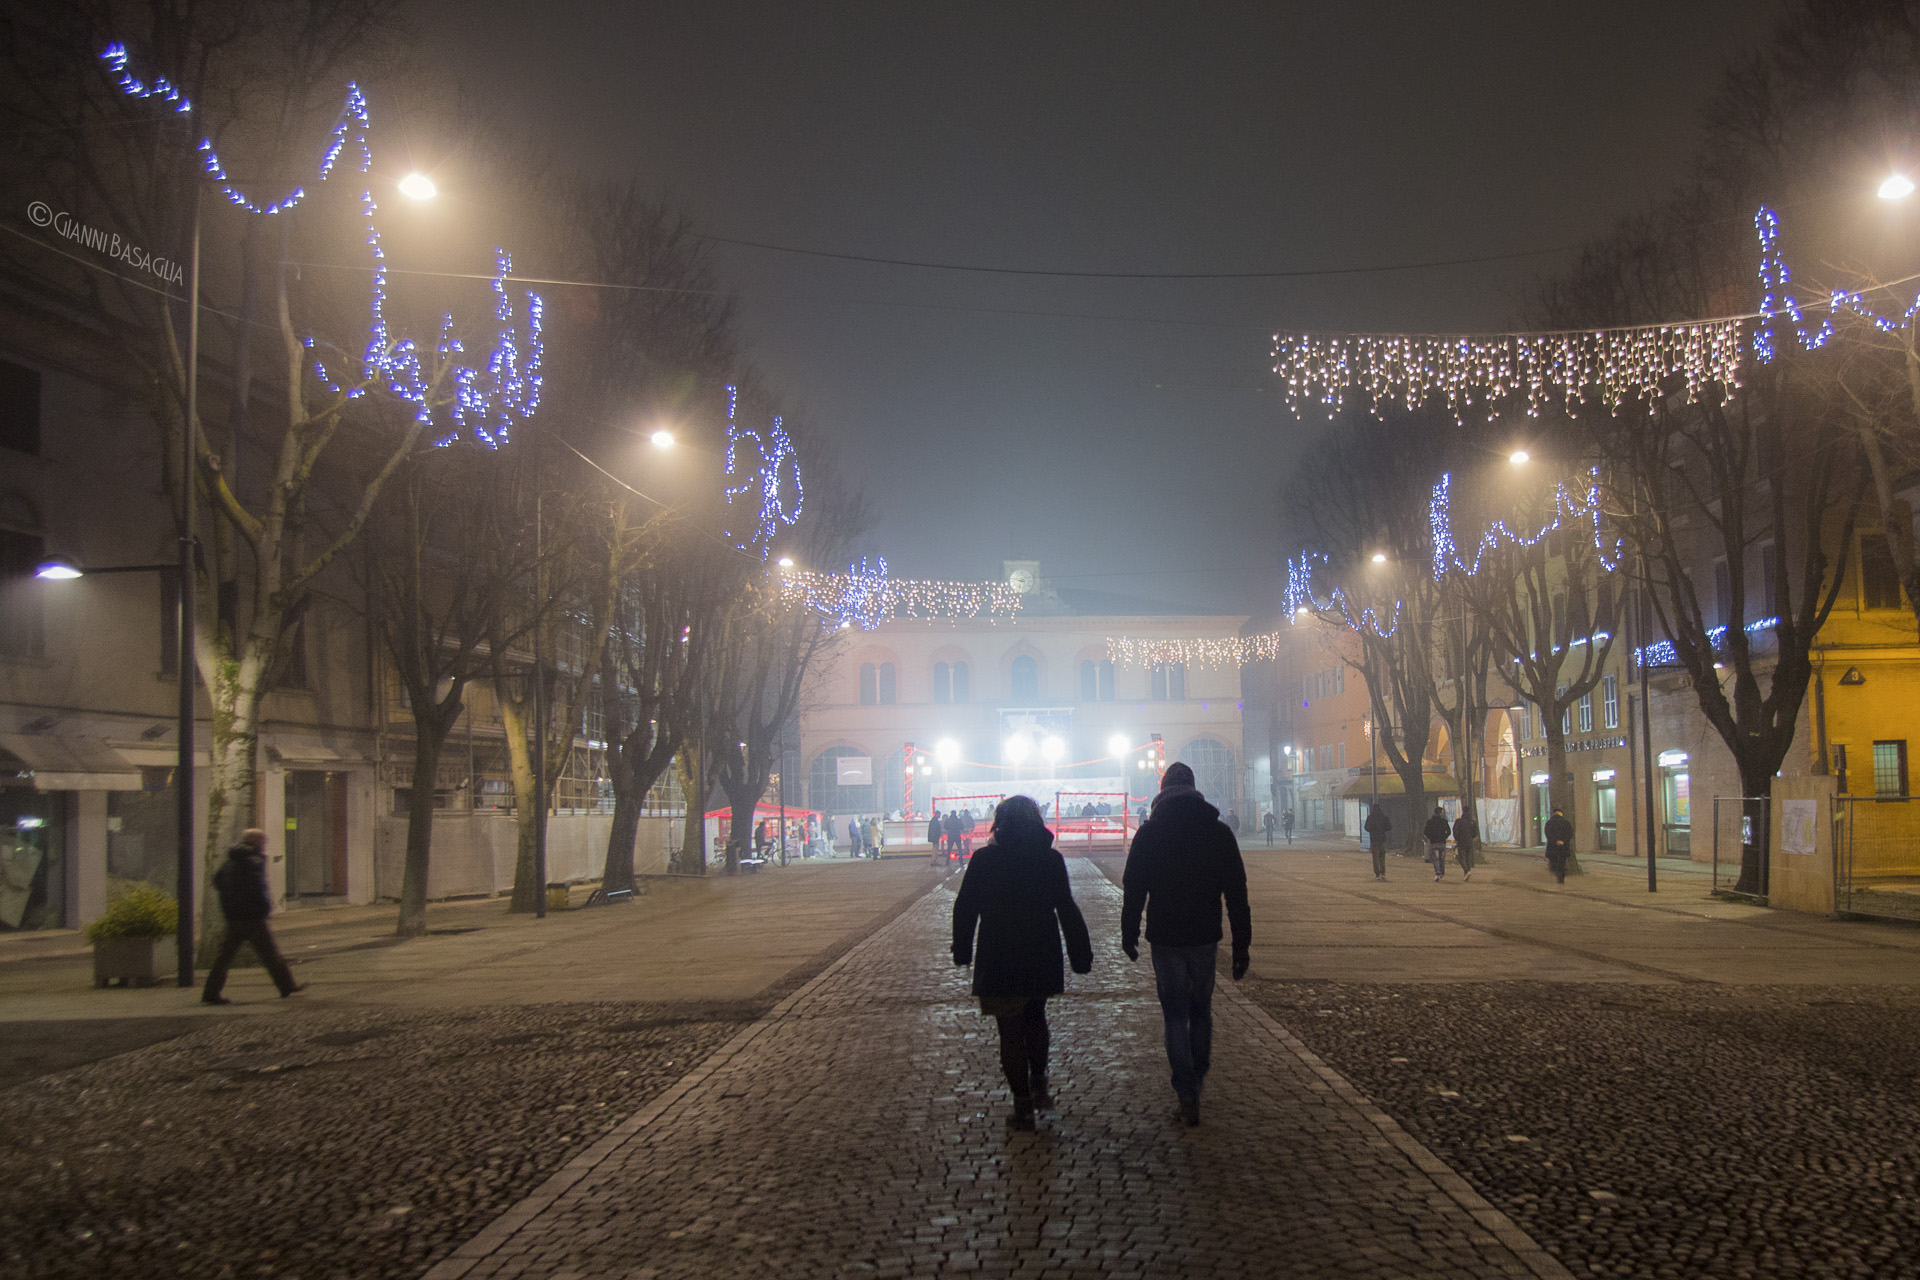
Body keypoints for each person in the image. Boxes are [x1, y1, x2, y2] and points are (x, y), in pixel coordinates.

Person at [951, 795, 1093, 1132]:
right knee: (1035, 1017)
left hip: (998, 955)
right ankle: (1040, 1080)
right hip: (1040, 951)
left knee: (1009, 1030)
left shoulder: (984, 860)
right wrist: (1080, 953)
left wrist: (962, 949)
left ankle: (1022, 1104)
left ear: (1000, 823)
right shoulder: (1050, 859)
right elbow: (1066, 908)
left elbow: (965, 906)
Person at [1121, 762, 1251, 1127]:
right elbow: (1237, 893)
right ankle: (1199, 1074)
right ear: (1195, 790)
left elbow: (1134, 889)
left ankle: (1187, 1093)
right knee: (1200, 1011)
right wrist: (1242, 945)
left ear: (1162, 792)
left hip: (1165, 936)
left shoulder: (1149, 834)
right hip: (1204, 936)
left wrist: (1128, 933)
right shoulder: (1218, 834)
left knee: (1175, 1015)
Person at [202, 828, 303, 1005]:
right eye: (263, 841)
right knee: (270, 954)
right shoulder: (252, 861)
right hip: (252, 917)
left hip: (234, 917)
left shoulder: (230, 860)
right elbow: (257, 888)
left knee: (224, 957)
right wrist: (264, 908)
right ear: (255, 841)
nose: (265, 844)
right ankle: (287, 985)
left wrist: (230, 902)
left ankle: (210, 992)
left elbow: (218, 881)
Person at [1545, 806, 1574, 884]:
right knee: (1562, 862)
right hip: (1563, 847)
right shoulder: (1566, 822)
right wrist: (1563, 841)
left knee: (1553, 861)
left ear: (1554, 813)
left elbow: (1548, 834)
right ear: (1561, 813)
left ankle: (1555, 872)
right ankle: (1561, 879)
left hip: (1553, 847)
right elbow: (1570, 834)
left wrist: (1555, 841)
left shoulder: (1549, 822)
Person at [1363, 803, 1392, 880]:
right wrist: (1382, 829)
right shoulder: (1384, 817)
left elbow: (1366, 827)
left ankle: (1377, 874)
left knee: (1375, 856)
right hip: (1382, 839)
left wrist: (1372, 830)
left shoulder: (1370, 818)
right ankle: (1383, 873)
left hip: (1374, 839)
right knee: (1382, 856)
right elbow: (1389, 827)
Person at [1423, 805, 1451, 881]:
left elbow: (1426, 831)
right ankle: (1442, 872)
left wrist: (1431, 837)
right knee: (1442, 858)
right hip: (1442, 842)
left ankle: (1437, 872)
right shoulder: (1444, 822)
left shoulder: (1430, 822)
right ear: (1441, 813)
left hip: (1434, 843)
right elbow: (1448, 831)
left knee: (1435, 858)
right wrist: (1444, 837)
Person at [1452, 809, 1479, 881]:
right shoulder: (1473, 822)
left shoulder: (1459, 821)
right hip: (1470, 841)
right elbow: (1476, 832)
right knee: (1468, 858)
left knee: (1461, 858)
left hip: (1461, 841)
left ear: (1463, 812)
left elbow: (1455, 830)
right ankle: (1466, 874)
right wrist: (1471, 837)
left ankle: (1466, 871)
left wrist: (1457, 839)